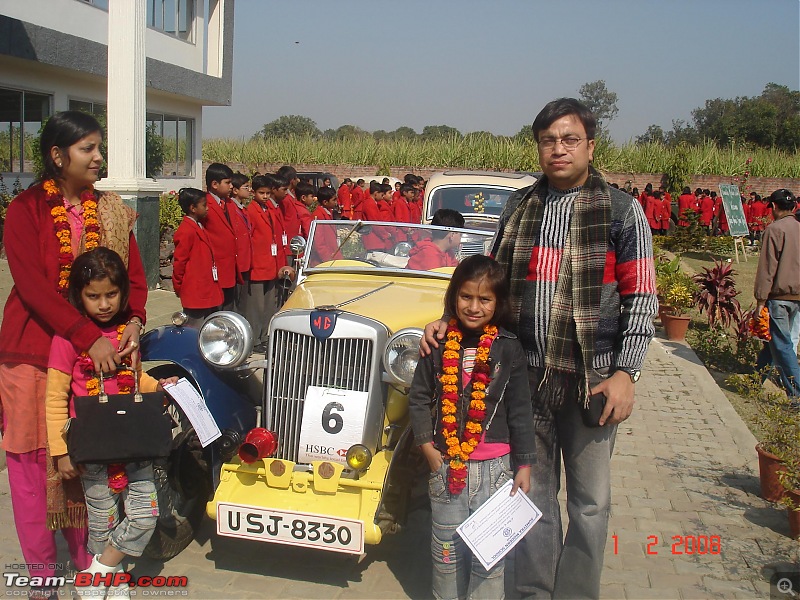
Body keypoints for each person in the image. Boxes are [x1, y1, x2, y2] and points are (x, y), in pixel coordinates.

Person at [421, 98, 657, 598]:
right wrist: (448, 320)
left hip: (593, 383)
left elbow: (641, 297)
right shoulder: (521, 207)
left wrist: (626, 373)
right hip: (524, 382)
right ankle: (531, 592)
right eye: (548, 141)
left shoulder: (621, 211)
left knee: (590, 503)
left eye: (570, 139)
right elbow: (489, 281)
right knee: (533, 497)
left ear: (591, 146)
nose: (559, 149)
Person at [0, 111, 147, 597]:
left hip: (100, 360)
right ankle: (42, 575)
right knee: (32, 464)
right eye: (89, 149)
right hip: (31, 354)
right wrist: (87, 335)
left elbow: (136, 283)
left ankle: (91, 565)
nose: (99, 157)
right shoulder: (25, 209)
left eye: (98, 147)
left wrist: (133, 323)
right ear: (58, 156)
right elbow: (32, 287)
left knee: (90, 458)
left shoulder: (113, 210)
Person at [45, 248, 177, 599]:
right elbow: (56, 398)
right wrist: (61, 453)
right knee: (102, 519)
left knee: (145, 516)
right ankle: (113, 578)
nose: (103, 304)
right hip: (93, 447)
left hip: (136, 444)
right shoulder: (67, 339)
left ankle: (98, 571)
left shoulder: (127, 334)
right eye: (93, 296)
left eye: (111, 295)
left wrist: (159, 387)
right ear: (79, 295)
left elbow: (136, 380)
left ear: (123, 293)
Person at [409, 254, 534, 600]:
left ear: (498, 302)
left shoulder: (508, 348)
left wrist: (524, 465)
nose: (474, 307)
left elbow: (521, 410)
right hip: (446, 466)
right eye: (466, 297)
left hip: (497, 471)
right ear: (453, 298)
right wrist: (427, 448)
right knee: (446, 555)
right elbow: (418, 398)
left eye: (485, 299)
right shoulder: (436, 344)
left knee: (489, 558)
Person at [754, 189, 800, 402]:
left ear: (773, 207)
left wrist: (760, 301)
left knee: (782, 344)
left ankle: (796, 392)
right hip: (797, 296)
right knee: (773, 340)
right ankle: (755, 379)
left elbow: (767, 268)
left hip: (779, 297)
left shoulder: (774, 230)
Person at [244, 174, 294, 351]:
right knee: (256, 306)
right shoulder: (251, 211)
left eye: (267, 193)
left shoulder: (269, 209)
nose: (265, 196)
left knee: (269, 304)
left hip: (271, 264)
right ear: (253, 192)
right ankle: (254, 339)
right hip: (258, 265)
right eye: (261, 193)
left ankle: (265, 336)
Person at [171, 188, 223, 327]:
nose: (207, 208)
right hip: (195, 289)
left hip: (205, 286)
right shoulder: (186, 230)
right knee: (194, 327)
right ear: (193, 208)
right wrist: (178, 285)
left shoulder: (199, 226)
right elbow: (179, 262)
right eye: (204, 205)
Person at [204, 162, 239, 311]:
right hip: (215, 270)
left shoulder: (228, 204)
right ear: (214, 184)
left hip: (230, 269)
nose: (231, 186)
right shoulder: (204, 205)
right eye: (227, 182)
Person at [230, 173, 254, 315]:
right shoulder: (231, 209)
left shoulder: (243, 209)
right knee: (236, 302)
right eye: (246, 187)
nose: (249, 190)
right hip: (237, 263)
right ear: (235, 190)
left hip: (246, 261)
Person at [310, 186, 341, 266]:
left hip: (332, 256)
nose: (336, 202)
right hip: (324, 261)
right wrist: (327, 259)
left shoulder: (328, 213)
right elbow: (319, 243)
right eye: (333, 200)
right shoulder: (318, 215)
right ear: (325, 202)